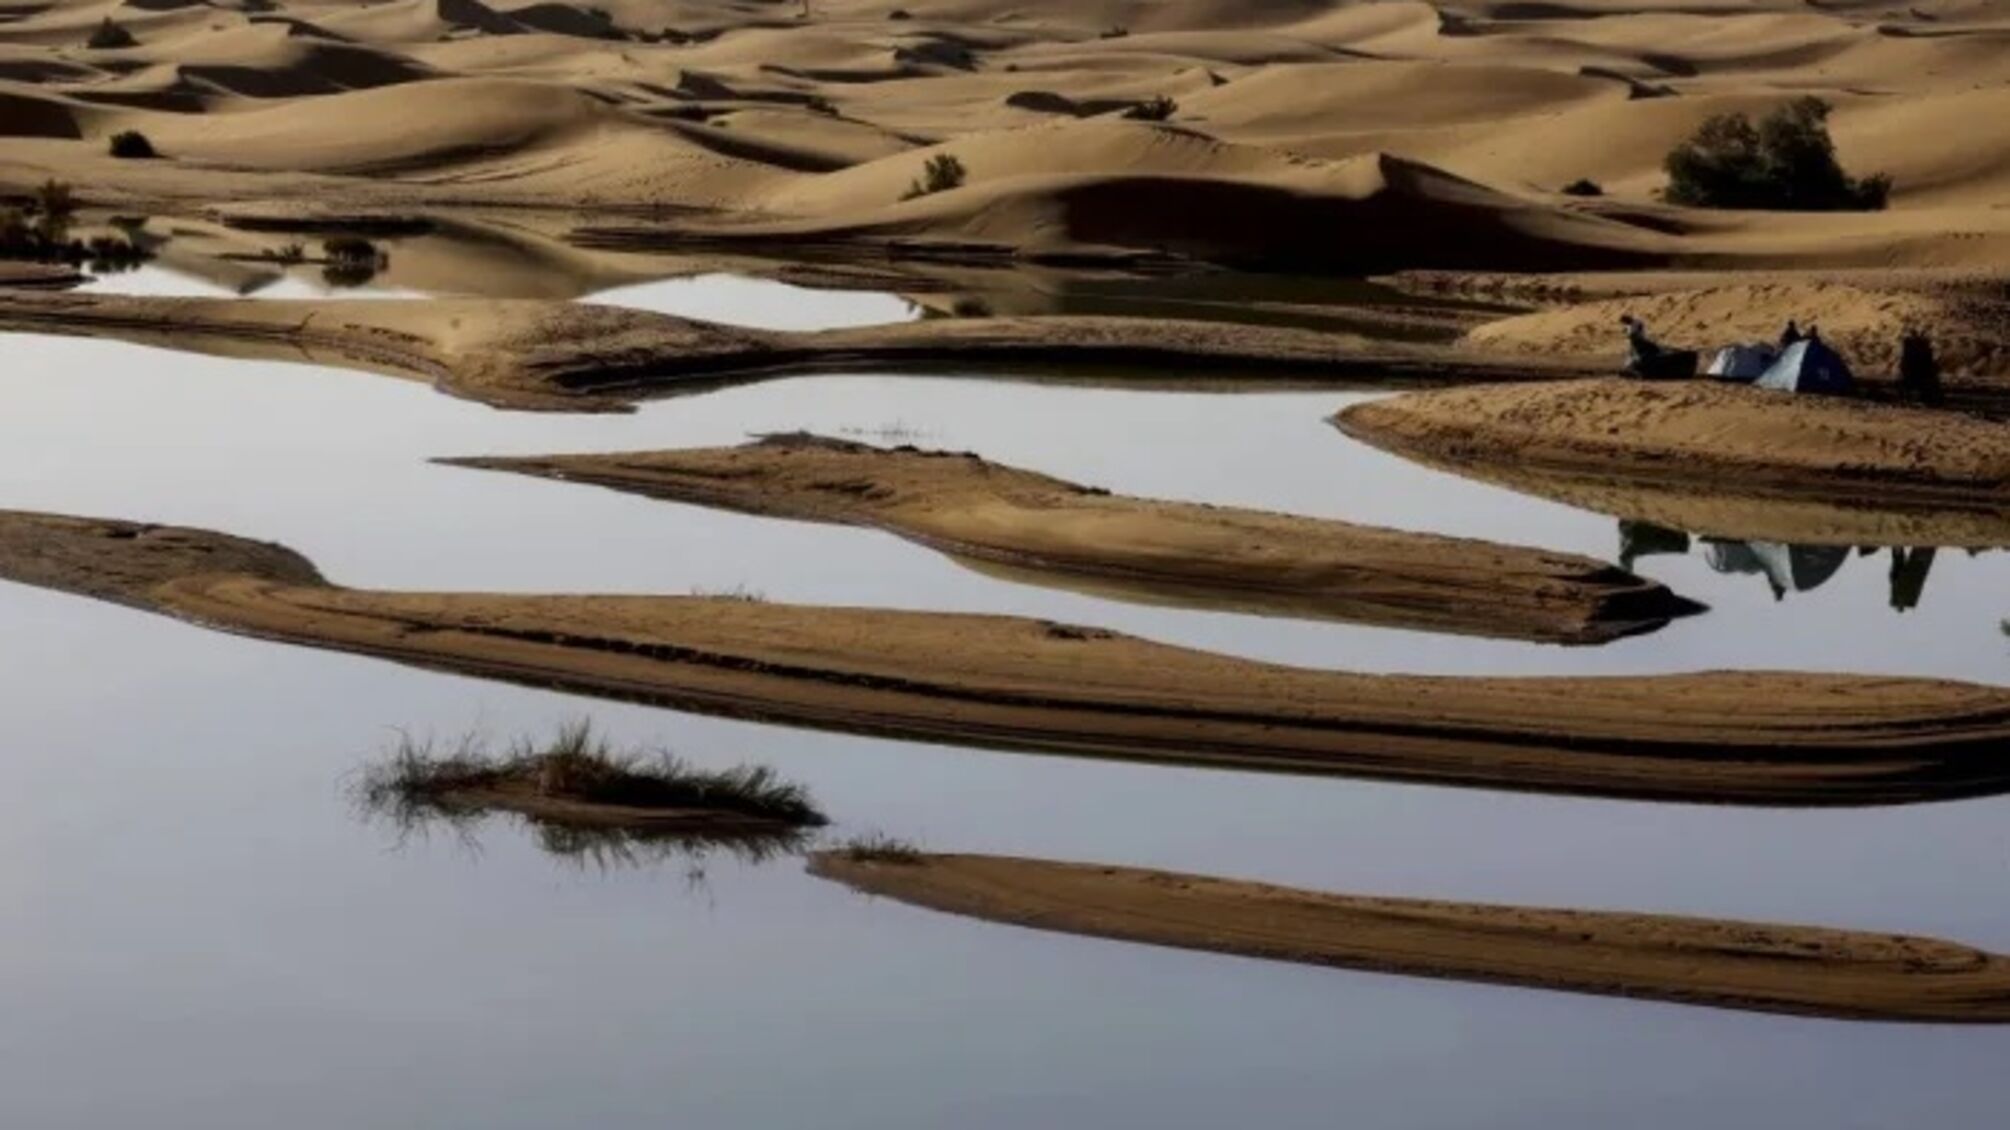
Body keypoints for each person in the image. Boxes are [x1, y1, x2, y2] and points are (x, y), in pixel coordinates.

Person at [1898, 328, 1943, 406]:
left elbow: (1929, 359)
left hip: (1917, 368)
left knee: (1915, 384)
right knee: (1915, 384)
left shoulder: (1913, 344)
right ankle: (1915, 399)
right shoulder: (1918, 344)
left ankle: (1914, 399)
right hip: (1916, 368)